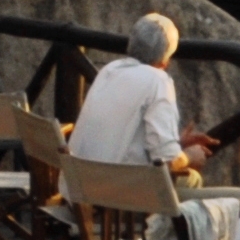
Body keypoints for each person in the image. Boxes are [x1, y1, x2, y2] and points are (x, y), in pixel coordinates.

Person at [69, 14, 222, 177]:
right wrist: (190, 156)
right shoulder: (158, 81)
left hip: (80, 186)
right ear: (165, 61)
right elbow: (168, 161)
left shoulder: (110, 70)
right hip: (120, 193)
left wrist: (178, 143)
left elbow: (124, 137)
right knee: (197, 179)